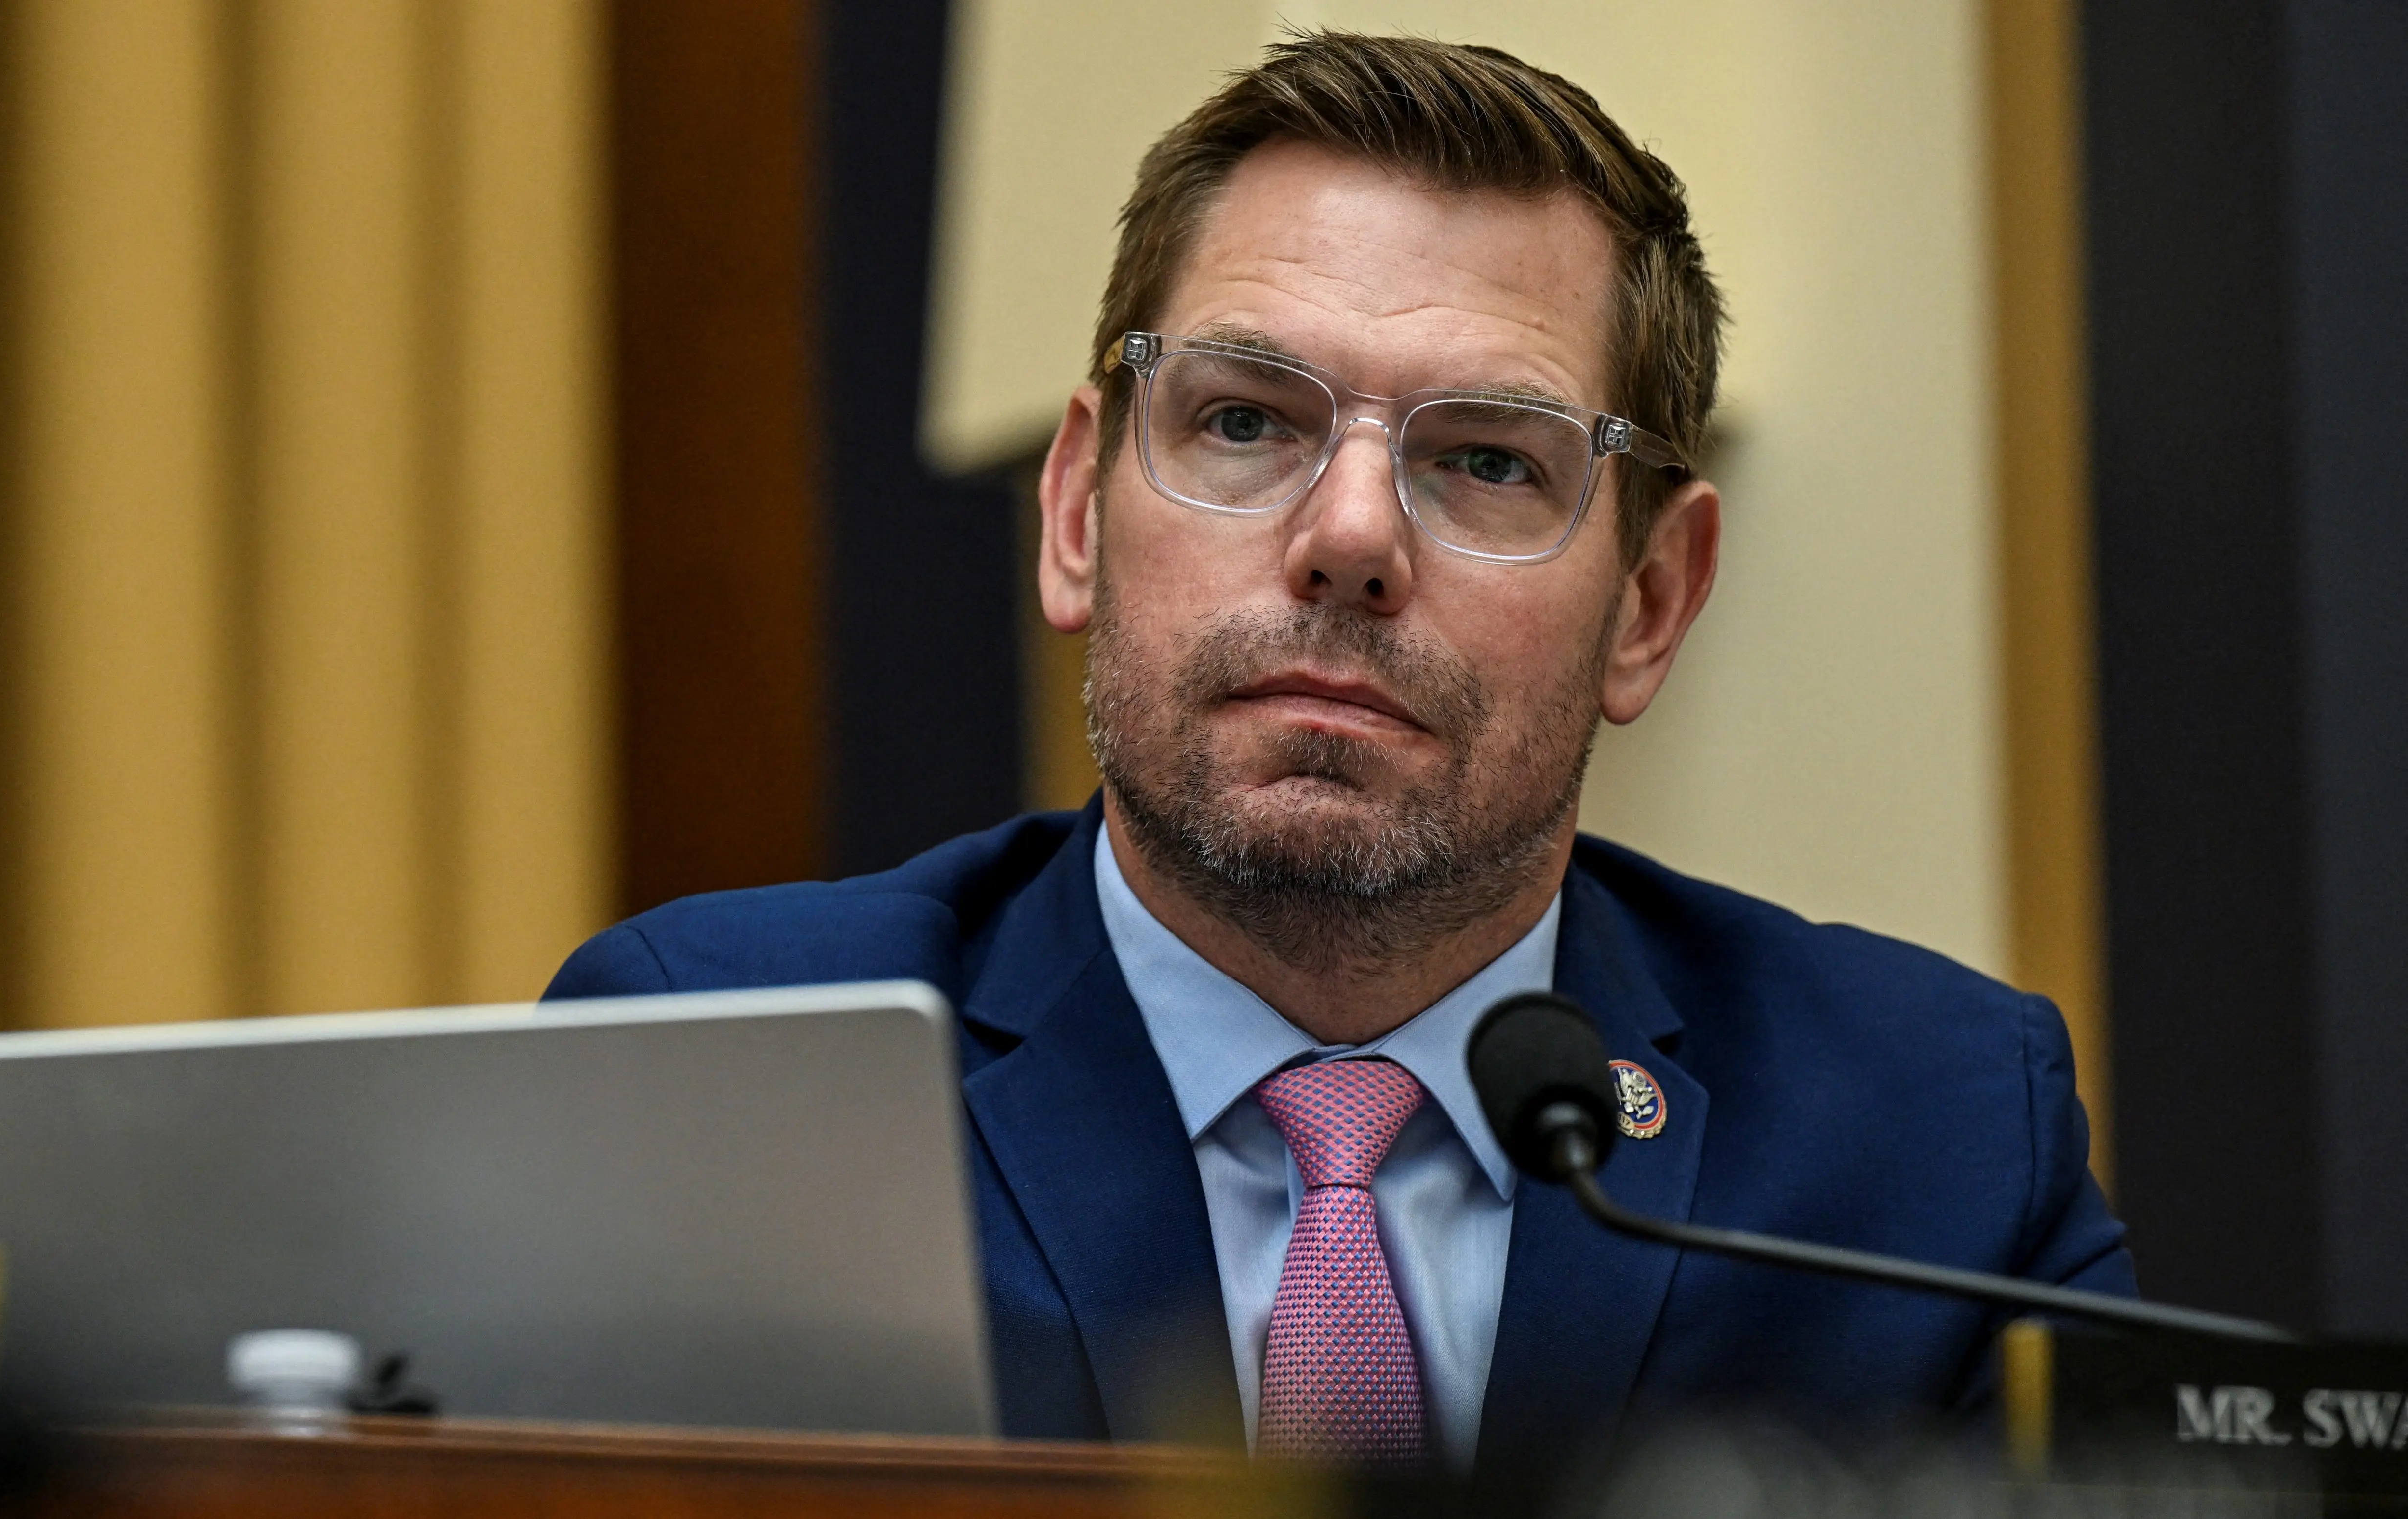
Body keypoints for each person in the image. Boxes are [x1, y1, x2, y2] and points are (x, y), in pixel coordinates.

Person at [546, 31, 2130, 1489]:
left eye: (1487, 460)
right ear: (1080, 509)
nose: (1351, 537)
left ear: (1648, 603)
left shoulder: (1926, 1147)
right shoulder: (724, 1066)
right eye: (1243, 422)